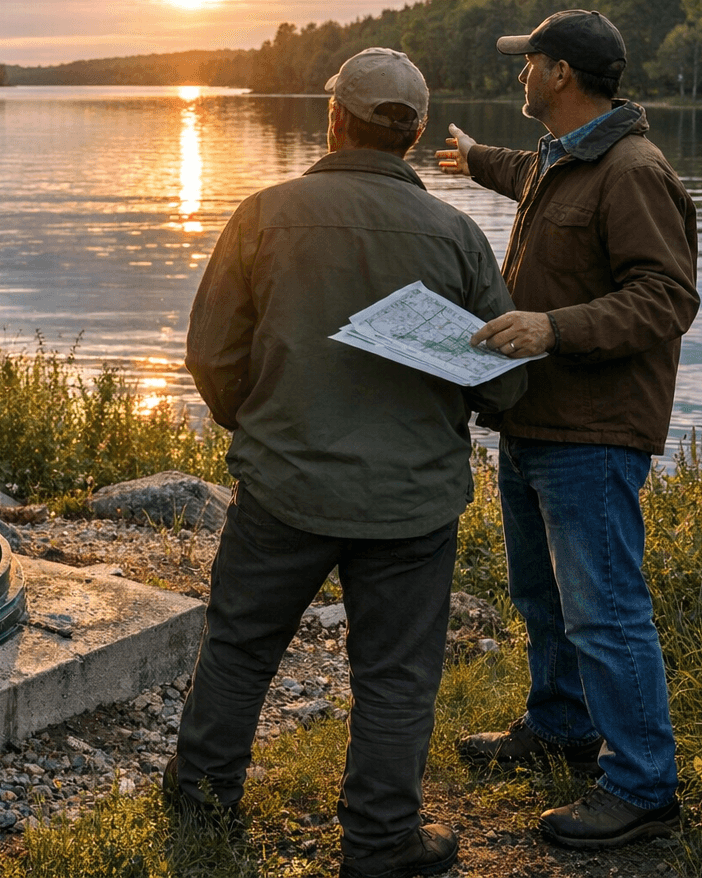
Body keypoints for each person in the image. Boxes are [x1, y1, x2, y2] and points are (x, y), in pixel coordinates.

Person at [173, 47, 528, 878]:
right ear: (409, 137)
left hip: (283, 488)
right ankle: (378, 843)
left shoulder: (264, 215)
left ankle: (200, 802)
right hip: (410, 503)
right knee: (397, 678)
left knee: (238, 648)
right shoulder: (458, 236)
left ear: (335, 118)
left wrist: (256, 427)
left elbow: (212, 355)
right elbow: (505, 389)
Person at [435, 9, 699, 849]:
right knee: (541, 596)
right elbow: (530, 176)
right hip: (535, 421)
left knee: (606, 612)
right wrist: (475, 160)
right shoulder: (565, 157)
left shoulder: (634, 170)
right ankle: (560, 728)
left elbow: (667, 299)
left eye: (530, 61)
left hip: (592, 432)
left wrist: (553, 327)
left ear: (561, 74)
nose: (521, 72)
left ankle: (644, 787)